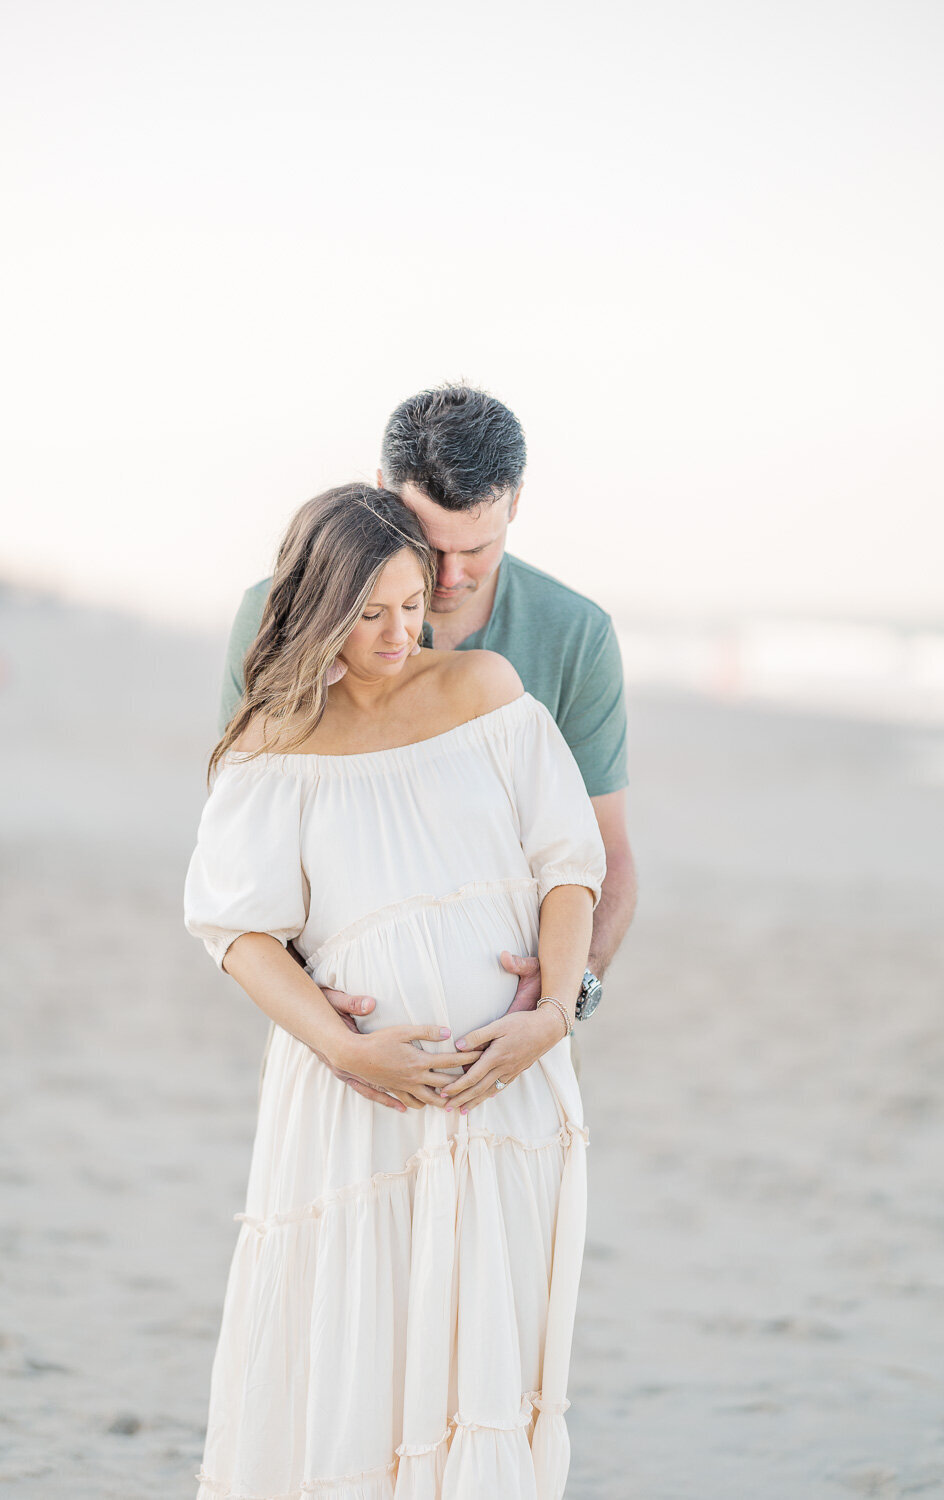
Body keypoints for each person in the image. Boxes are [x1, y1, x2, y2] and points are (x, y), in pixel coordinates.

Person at [185, 484, 606, 1499]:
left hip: (505, 1091)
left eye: (413, 605)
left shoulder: (487, 690)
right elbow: (237, 931)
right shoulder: (276, 738)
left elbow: (569, 863)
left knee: (483, 1360)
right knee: (351, 1349)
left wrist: (550, 1017)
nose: (397, 632)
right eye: (369, 611)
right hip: (353, 1103)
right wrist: (346, 1051)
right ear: (319, 605)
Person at [217, 387, 636, 1107]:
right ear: (381, 492)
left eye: (477, 547)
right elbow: (247, 860)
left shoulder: (575, 634)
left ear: (517, 504)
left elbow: (604, 853)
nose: (448, 578)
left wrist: (562, 1004)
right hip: (348, 1065)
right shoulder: (274, 616)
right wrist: (334, 1038)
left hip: (513, 1060)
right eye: (428, 544)